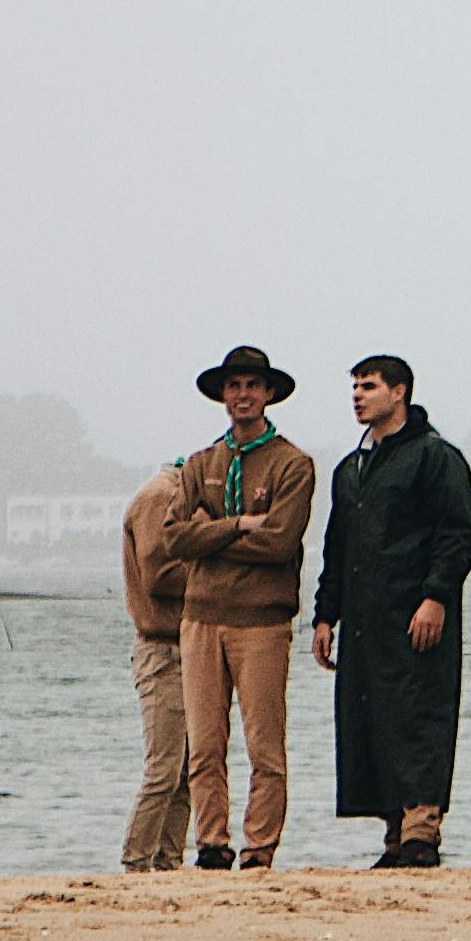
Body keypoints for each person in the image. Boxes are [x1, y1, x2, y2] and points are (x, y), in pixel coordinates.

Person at [313, 352, 471, 867]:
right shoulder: (351, 468)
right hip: (365, 621)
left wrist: (436, 596)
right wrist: (325, 615)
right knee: (374, 719)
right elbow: (336, 547)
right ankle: (394, 834)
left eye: (369, 386)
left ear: (400, 391)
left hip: (417, 613)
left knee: (420, 716)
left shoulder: (435, 456)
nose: (358, 396)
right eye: (355, 388)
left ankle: (421, 833)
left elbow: (457, 533)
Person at [160, 344, 316, 871]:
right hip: (200, 617)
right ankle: (211, 843)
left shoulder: (293, 463)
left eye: (252, 385)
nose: (242, 395)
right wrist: (238, 525)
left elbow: (279, 543)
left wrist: (211, 532)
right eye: (234, 386)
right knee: (204, 744)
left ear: (269, 393)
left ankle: (260, 848)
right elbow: (174, 539)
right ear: (222, 395)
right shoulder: (201, 462)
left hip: (263, 621)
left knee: (264, 745)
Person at [118, 450, 194, 871]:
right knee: (164, 769)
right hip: (163, 650)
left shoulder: (170, 495)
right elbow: (160, 575)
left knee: (184, 772)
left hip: (181, 647)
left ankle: (168, 861)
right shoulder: (161, 497)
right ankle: (136, 861)